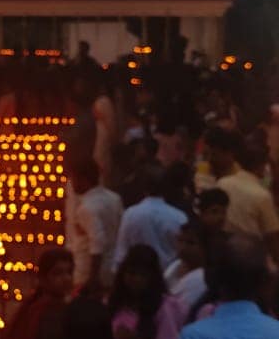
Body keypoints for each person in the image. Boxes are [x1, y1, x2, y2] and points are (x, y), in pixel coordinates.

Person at [203, 126, 279, 258]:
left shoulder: (224, 182)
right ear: (261, 166)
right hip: (252, 257)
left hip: (225, 252)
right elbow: (272, 238)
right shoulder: (261, 195)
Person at [113, 164, 187, 271]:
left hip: (139, 279)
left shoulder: (131, 214)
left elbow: (121, 252)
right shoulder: (179, 216)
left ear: (143, 187)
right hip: (170, 279)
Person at [65, 161, 123, 293]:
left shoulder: (87, 208)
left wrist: (92, 279)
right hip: (111, 267)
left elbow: (98, 244)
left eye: (73, 179)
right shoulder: (114, 199)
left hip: (88, 273)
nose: (72, 184)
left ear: (83, 179)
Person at [164, 221, 207, 321]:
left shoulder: (203, 278)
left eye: (191, 243)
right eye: (180, 241)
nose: (183, 247)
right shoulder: (174, 265)